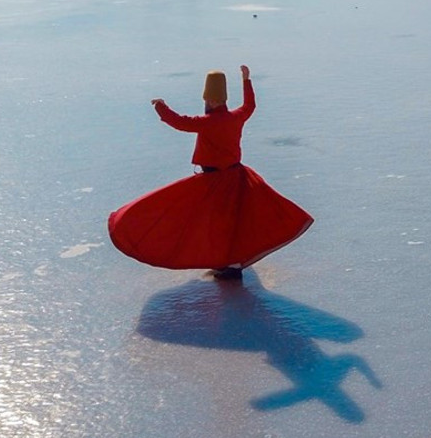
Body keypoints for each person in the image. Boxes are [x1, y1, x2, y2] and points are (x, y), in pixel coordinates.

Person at [108, 66, 312, 280]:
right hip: (237, 176)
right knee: (235, 222)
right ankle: (231, 263)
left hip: (215, 181)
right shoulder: (236, 117)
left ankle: (230, 265)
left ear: (212, 101)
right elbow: (249, 106)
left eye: (206, 100)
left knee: (215, 223)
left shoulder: (207, 122)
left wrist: (160, 106)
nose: (205, 104)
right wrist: (246, 80)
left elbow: (180, 122)